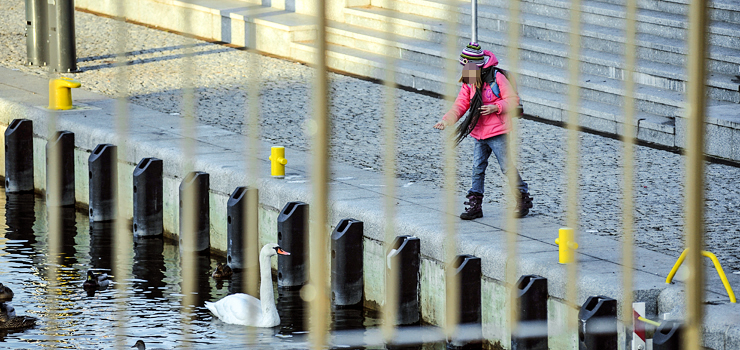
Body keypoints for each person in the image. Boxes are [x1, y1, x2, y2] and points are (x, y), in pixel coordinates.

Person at [433, 42, 533, 219]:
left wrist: (496, 107)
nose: (465, 71)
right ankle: (475, 205)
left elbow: (513, 100)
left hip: (497, 132)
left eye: (467, 67)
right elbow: (461, 104)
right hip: (478, 131)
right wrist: (446, 120)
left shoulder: (496, 77)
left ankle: (522, 197)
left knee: (506, 166)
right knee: (477, 168)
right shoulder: (469, 81)